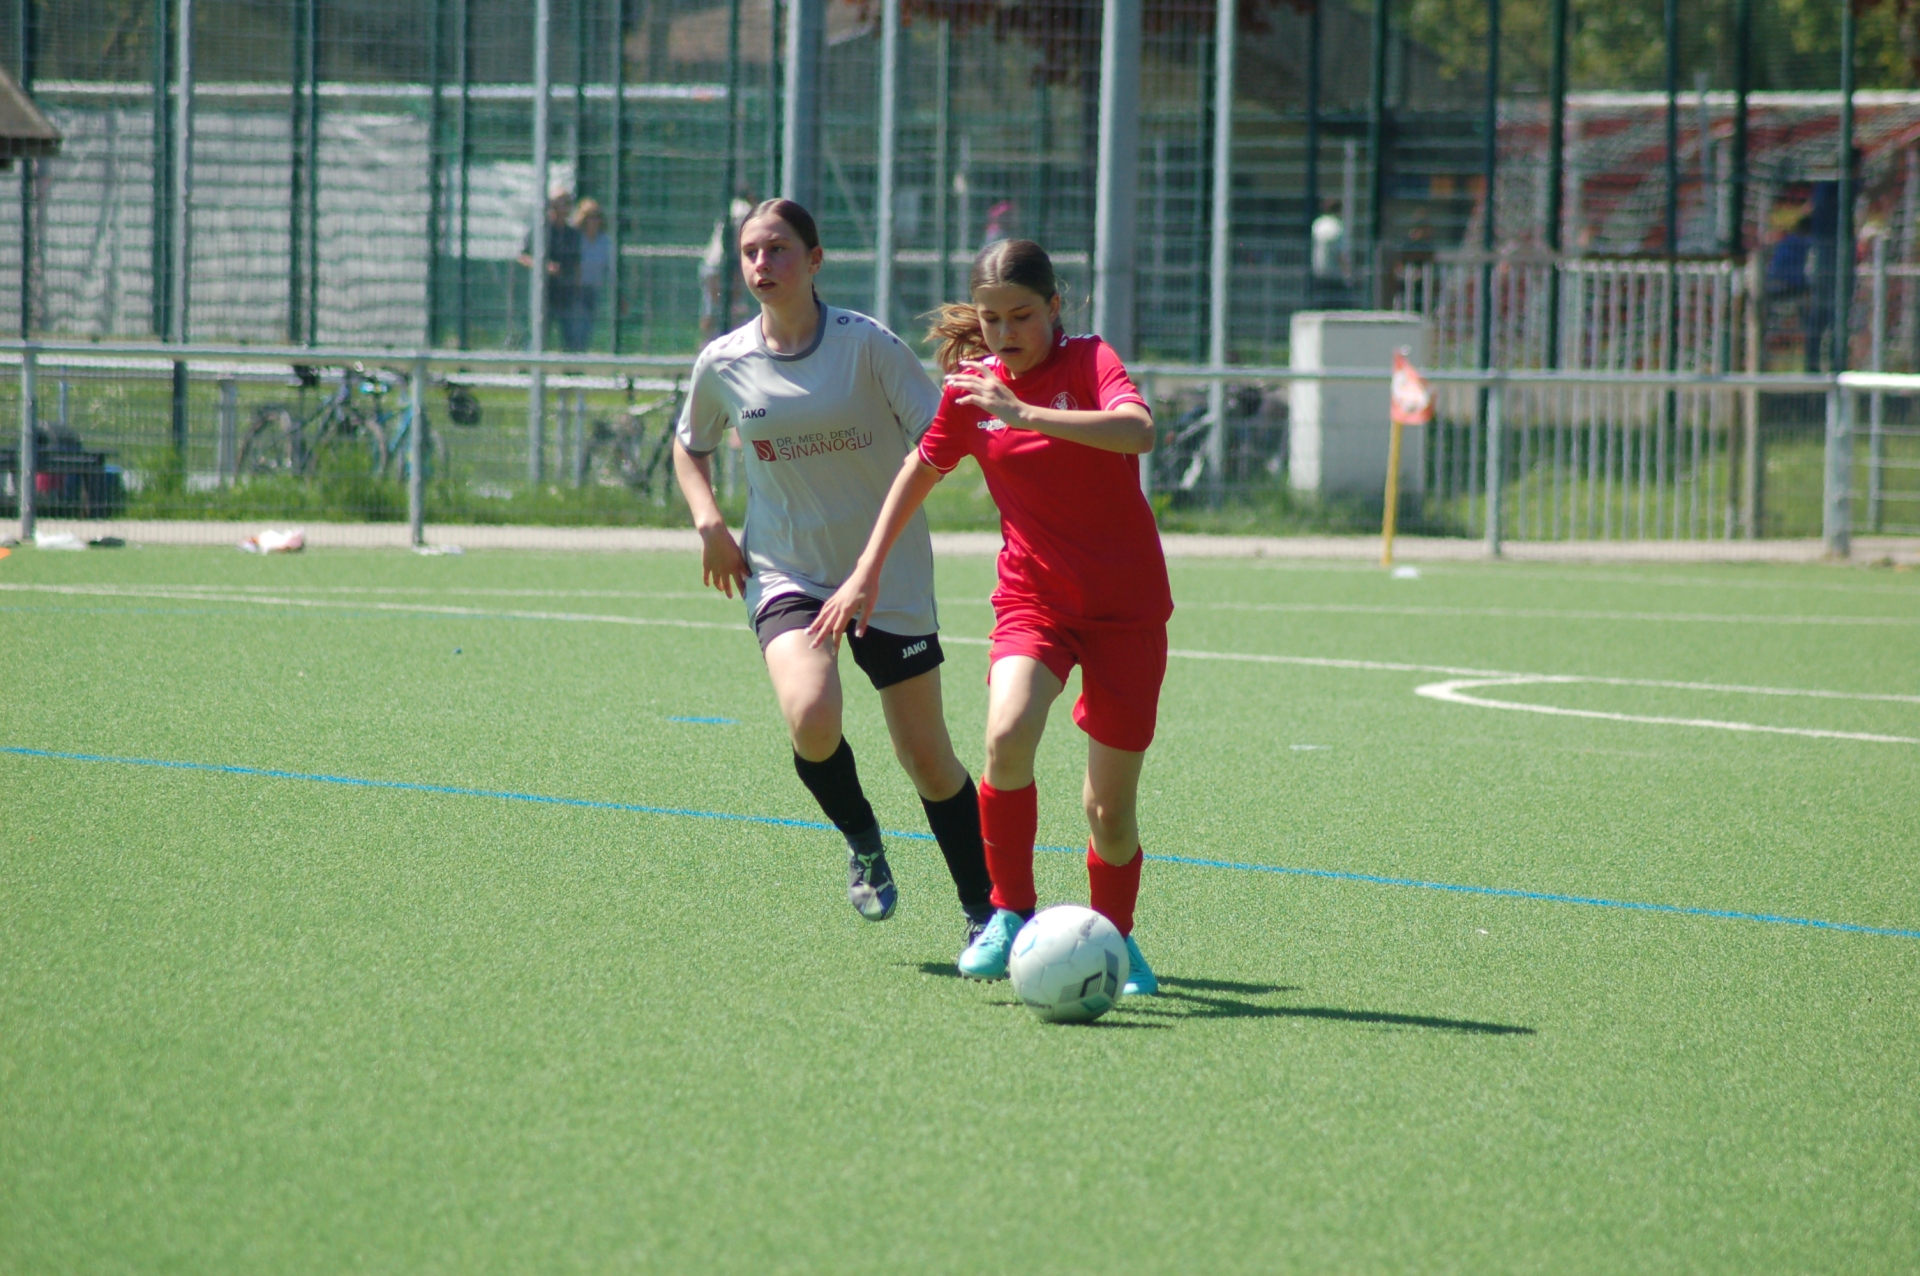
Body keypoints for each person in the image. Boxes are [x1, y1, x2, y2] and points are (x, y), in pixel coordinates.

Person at [809, 238, 1169, 997]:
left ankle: (1115, 938)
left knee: (1109, 811)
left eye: (1023, 315)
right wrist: (866, 569)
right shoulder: (972, 389)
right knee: (1004, 736)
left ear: (1055, 307)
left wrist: (1025, 412)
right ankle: (1008, 913)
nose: (1006, 333)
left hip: (1126, 610)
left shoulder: (1089, 360)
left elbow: (1137, 430)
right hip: (1034, 600)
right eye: (992, 318)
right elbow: (920, 468)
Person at [670, 197, 996, 956]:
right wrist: (709, 523)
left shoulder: (867, 346)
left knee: (927, 759)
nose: (762, 263)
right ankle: (863, 838)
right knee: (812, 716)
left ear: (815, 260)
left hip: (888, 572)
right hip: (788, 569)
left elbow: (940, 441)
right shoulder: (723, 361)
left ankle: (986, 910)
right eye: (751, 251)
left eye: (779, 248)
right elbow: (690, 445)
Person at [518, 184, 583, 351]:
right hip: (544, 293)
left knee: (572, 337)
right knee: (538, 336)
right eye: (561, 203)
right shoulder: (541, 230)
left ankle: (571, 365)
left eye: (567, 203)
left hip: (566, 293)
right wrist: (543, 267)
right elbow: (523, 256)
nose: (565, 207)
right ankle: (530, 363)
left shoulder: (572, 233)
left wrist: (577, 286)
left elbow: (577, 263)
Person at [567, 198, 612, 353]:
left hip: (593, 289)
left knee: (586, 329)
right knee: (575, 329)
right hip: (576, 290)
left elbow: (609, 268)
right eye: (589, 216)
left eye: (596, 216)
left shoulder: (604, 240)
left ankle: (579, 356)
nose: (593, 220)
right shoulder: (576, 238)